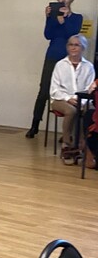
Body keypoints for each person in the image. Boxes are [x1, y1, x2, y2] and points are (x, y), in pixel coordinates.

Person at [26, 0, 83, 138]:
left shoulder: (77, 17)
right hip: (52, 55)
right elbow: (48, 35)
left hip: (69, 58)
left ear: (71, 0)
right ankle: (34, 125)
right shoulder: (53, 17)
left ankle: (67, 132)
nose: (63, 0)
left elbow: (72, 35)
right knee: (44, 90)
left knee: (69, 91)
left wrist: (65, 19)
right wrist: (48, 18)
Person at [49, 34, 95, 163]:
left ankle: (82, 144)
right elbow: (54, 89)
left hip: (82, 100)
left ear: (83, 48)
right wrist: (68, 98)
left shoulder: (88, 66)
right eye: (70, 45)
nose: (73, 48)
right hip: (60, 99)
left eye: (76, 45)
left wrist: (80, 101)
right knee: (71, 111)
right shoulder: (60, 65)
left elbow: (89, 89)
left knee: (89, 111)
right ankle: (66, 144)